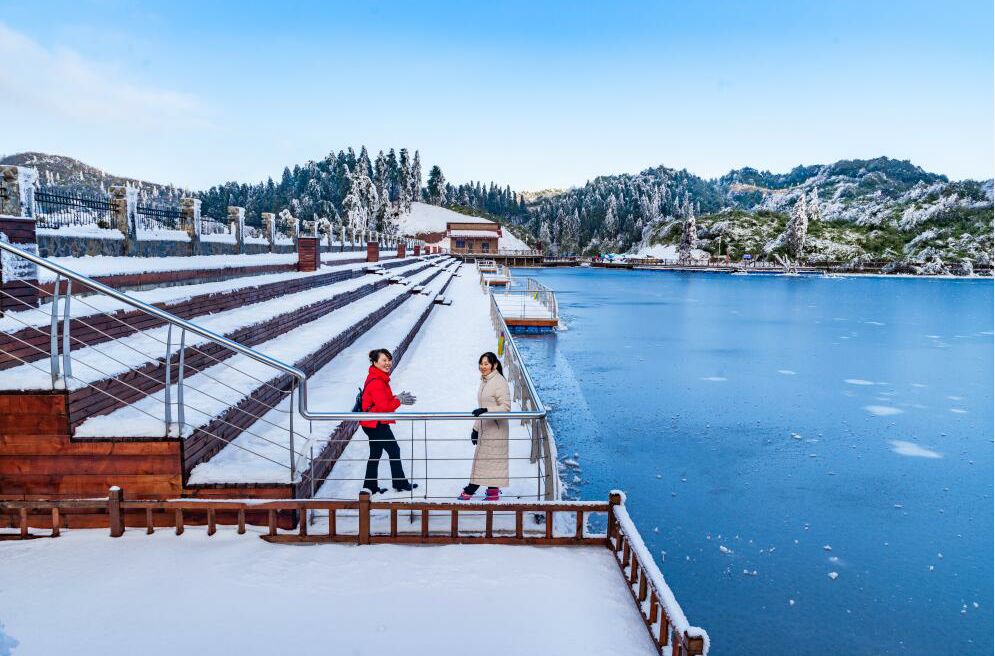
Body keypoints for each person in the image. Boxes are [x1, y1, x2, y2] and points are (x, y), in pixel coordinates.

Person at [359, 348, 417, 494]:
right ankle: (400, 483)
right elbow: (384, 407)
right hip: (375, 423)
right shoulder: (377, 381)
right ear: (375, 362)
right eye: (384, 360)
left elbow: (382, 402)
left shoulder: (378, 377)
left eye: (389, 360)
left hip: (372, 422)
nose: (388, 363)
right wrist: (399, 401)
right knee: (394, 450)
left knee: (376, 453)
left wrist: (397, 397)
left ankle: (371, 486)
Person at [458, 352, 511, 501]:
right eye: (481, 364)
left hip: (496, 430)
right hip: (486, 428)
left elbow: (506, 407)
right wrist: (475, 428)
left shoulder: (499, 381)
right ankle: (493, 492)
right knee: (489, 461)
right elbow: (482, 407)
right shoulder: (485, 381)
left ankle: (471, 489)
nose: (483, 367)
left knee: (485, 461)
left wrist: (486, 411)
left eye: (486, 364)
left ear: (494, 365)